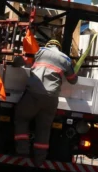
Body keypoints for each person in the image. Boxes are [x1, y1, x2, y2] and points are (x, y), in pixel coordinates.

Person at [14, 36, 77, 165]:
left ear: (48, 45)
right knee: (44, 128)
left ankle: (23, 150)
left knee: (21, 118)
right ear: (58, 47)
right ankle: (39, 159)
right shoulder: (65, 59)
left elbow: (18, 62)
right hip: (51, 98)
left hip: (33, 94)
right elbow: (73, 80)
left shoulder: (38, 51)